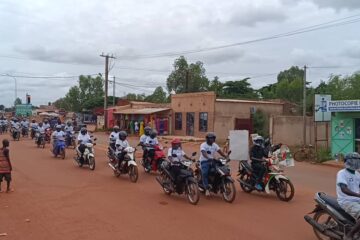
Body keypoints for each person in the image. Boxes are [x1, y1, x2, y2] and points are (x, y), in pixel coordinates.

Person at [337, 152, 360, 240]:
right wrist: (358, 195)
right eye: (353, 161)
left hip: (357, 199)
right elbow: (344, 189)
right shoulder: (342, 173)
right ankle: (349, 235)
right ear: (347, 162)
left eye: (357, 161)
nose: (355, 163)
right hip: (347, 201)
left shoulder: (357, 174)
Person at [199, 132, 227, 197]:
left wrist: (226, 156)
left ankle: (216, 184)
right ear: (207, 139)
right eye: (210, 138)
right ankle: (206, 189)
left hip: (212, 161)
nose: (212, 140)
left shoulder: (215, 145)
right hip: (205, 161)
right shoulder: (203, 145)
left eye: (213, 138)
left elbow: (220, 152)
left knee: (220, 170)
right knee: (205, 173)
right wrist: (208, 157)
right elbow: (203, 153)